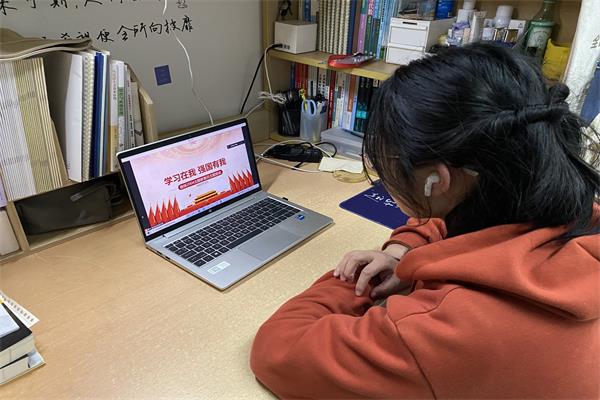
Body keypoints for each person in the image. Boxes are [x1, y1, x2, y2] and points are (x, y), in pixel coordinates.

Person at [250, 43, 600, 398]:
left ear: (437, 181)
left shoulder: (443, 328)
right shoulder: (571, 213)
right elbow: (457, 217)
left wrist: (354, 279)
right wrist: (401, 251)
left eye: (388, 162)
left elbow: (280, 349)